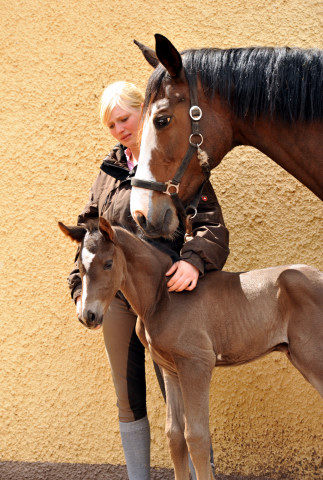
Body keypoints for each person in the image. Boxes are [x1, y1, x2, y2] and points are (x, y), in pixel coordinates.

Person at [67, 81, 229, 480]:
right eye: (111, 125)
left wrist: (193, 261)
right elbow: (87, 238)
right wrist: (78, 288)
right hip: (118, 300)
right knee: (128, 398)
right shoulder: (107, 174)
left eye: (125, 118)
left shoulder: (173, 162)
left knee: (181, 398)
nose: (120, 128)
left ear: (143, 112)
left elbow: (213, 227)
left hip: (170, 301)